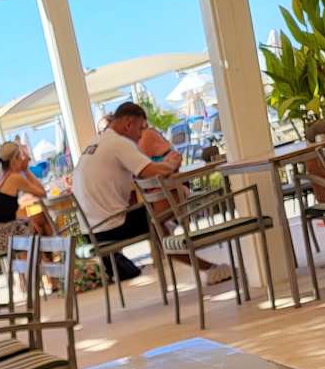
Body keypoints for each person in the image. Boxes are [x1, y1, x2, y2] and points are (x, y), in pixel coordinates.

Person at [72, 101, 226, 283]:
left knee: (158, 221)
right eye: (140, 128)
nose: (140, 136)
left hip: (90, 232)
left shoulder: (96, 141)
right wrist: (172, 163)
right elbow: (155, 172)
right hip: (111, 227)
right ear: (129, 123)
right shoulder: (119, 143)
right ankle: (208, 267)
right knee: (176, 197)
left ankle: (204, 264)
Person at [0, 142, 52, 257]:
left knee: (33, 222)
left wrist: (27, 221)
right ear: (14, 160)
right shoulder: (14, 177)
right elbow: (42, 193)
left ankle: (39, 264)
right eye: (20, 157)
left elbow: (0, 215)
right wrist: (26, 170)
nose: (22, 160)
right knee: (41, 220)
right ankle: (49, 262)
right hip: (1, 239)